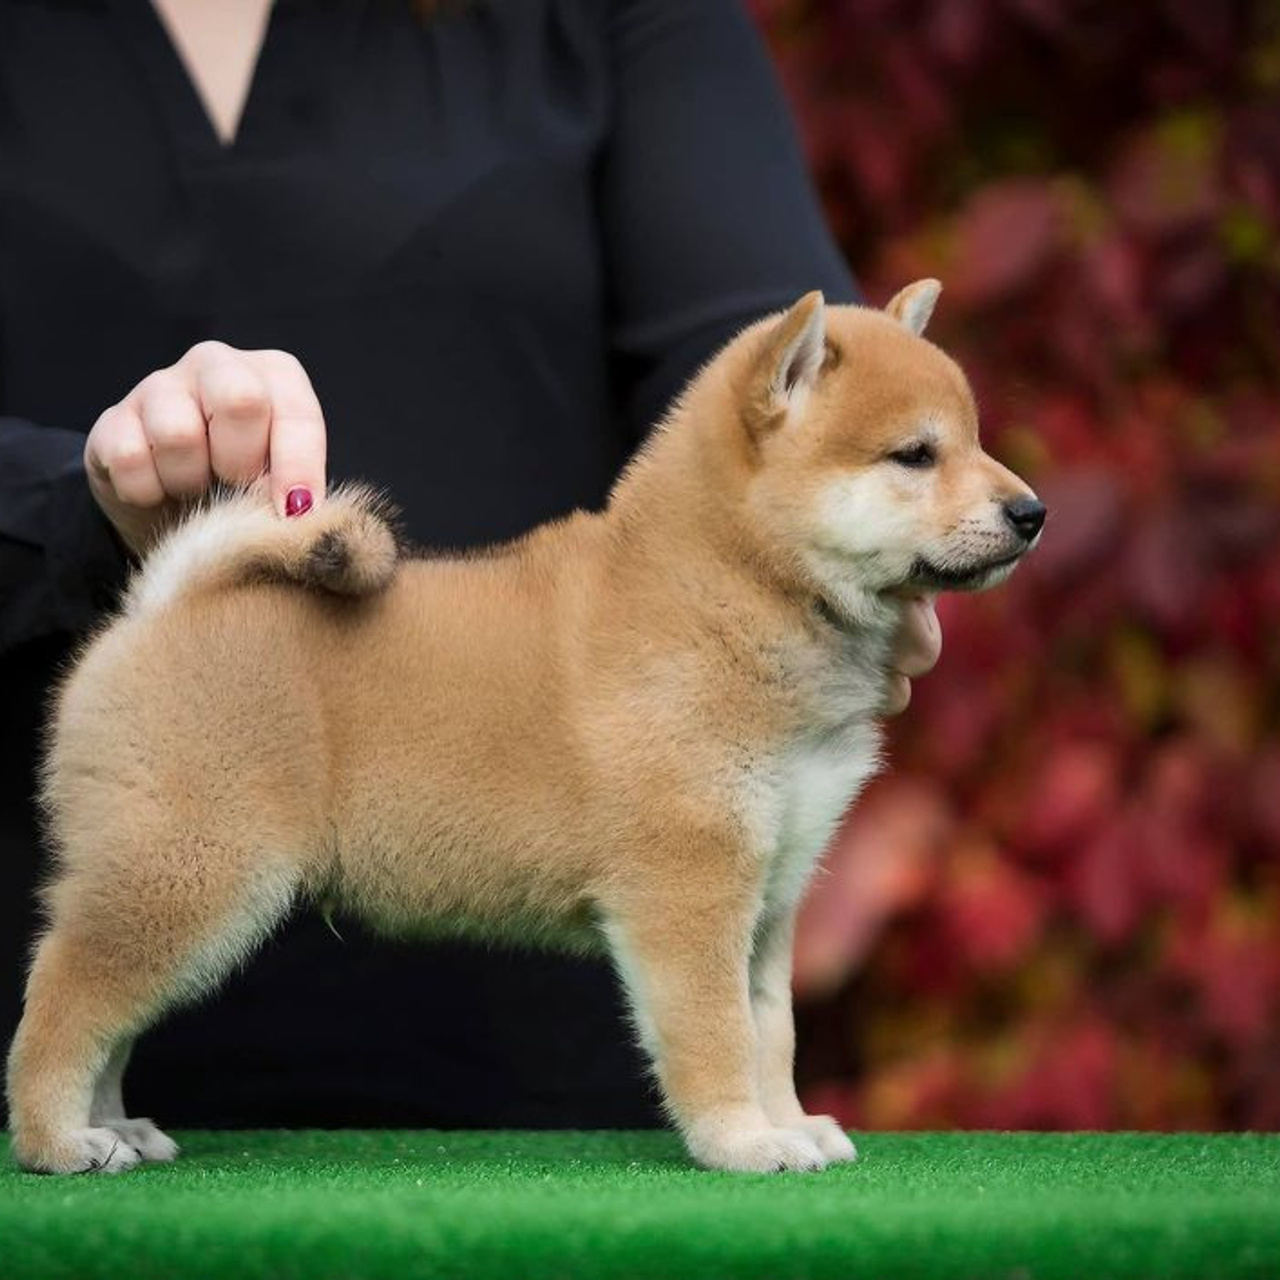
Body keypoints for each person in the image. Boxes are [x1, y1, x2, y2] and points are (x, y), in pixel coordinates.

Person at [0, 0, 941, 1129]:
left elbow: (765, 362)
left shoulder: (620, 25)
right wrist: (82, 497)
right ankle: (57, 1083)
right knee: (151, 906)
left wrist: (832, 562)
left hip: (544, 1087)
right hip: (175, 736)